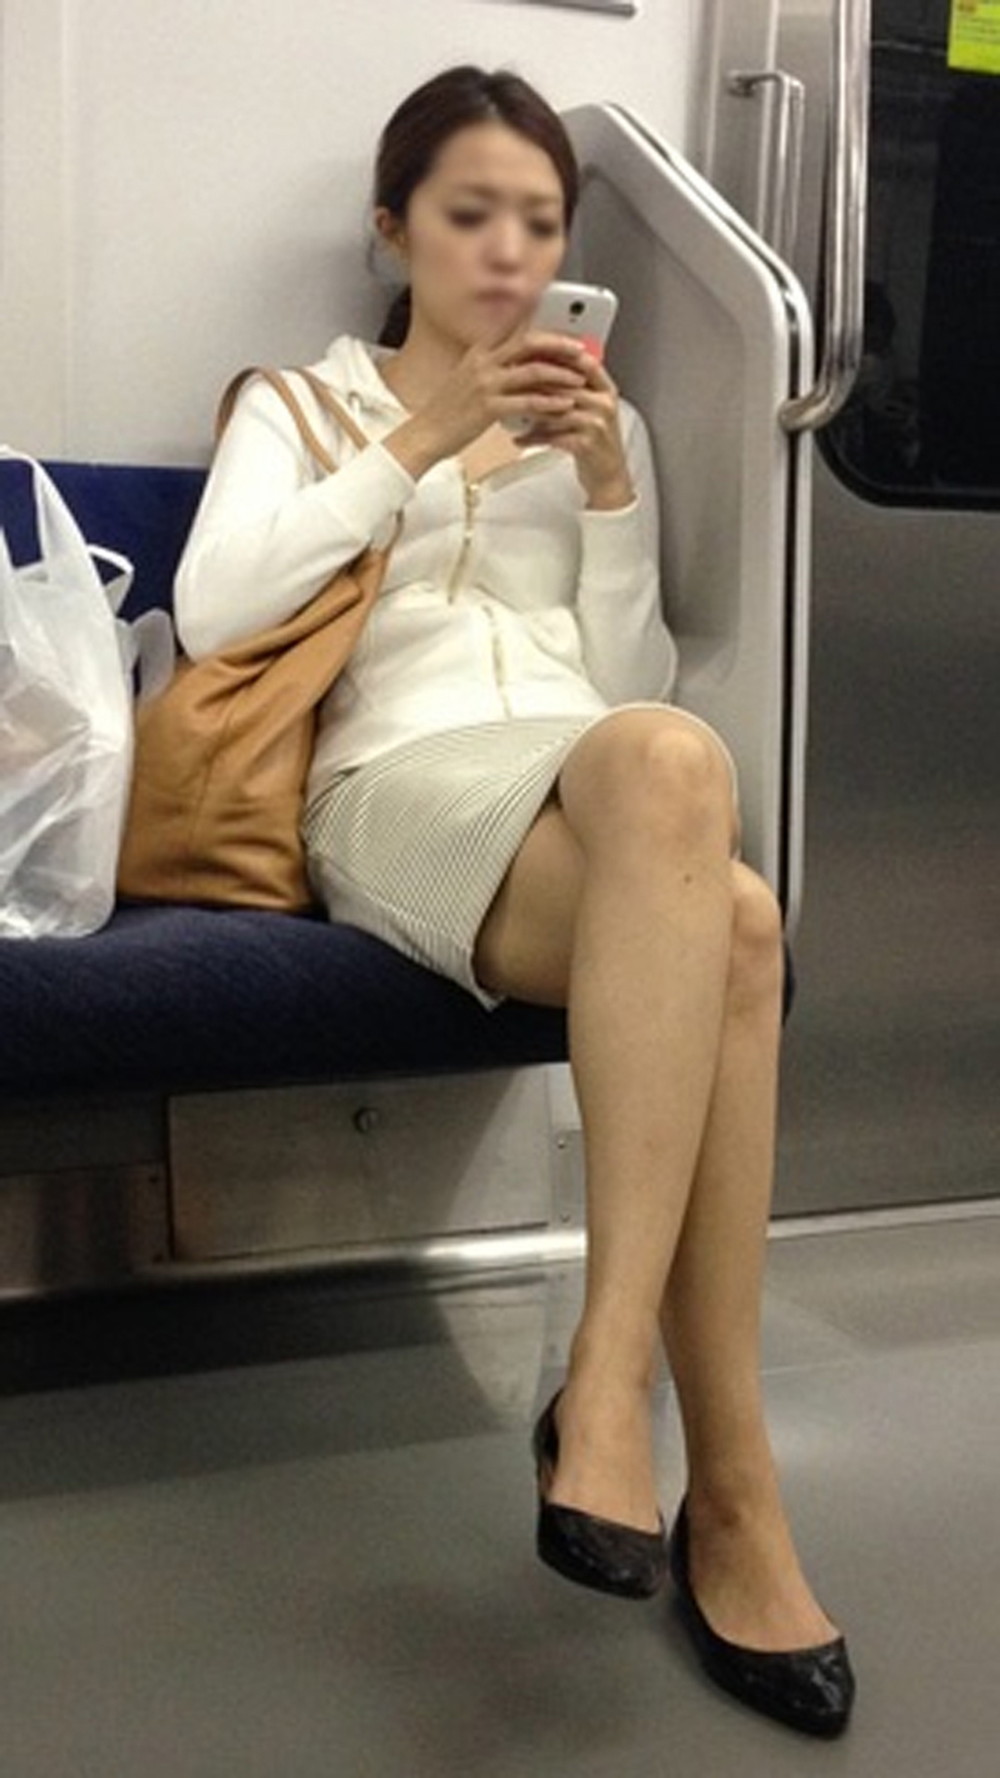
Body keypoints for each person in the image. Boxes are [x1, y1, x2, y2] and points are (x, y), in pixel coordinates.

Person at [175, 65, 855, 1738]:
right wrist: (421, 438)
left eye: (541, 223)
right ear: (393, 228)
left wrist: (608, 494)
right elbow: (214, 613)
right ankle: (679, 1448)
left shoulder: (597, 429)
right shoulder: (308, 404)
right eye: (470, 214)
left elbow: (625, 690)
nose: (508, 252)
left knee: (721, 879)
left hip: (577, 785)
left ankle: (659, 1429)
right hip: (390, 792)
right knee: (726, 898)